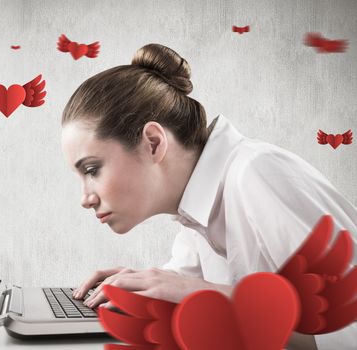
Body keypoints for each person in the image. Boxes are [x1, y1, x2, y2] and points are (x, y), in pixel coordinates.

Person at [60, 43, 357, 350]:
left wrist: (202, 294)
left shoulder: (256, 174)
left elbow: (349, 329)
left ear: (152, 143)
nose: (85, 198)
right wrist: (143, 283)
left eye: (92, 169)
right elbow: (186, 282)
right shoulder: (194, 207)